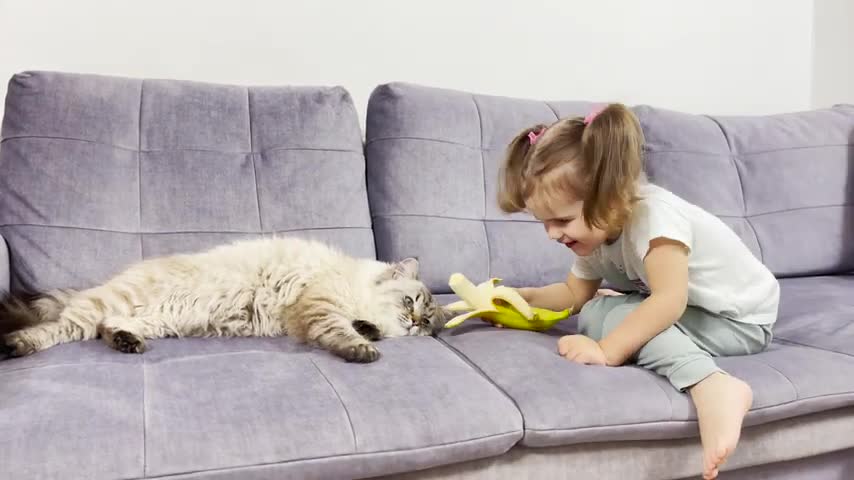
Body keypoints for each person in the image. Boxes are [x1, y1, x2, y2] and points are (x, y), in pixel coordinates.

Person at [497, 104, 779, 480]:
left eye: (562, 220)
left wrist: (606, 351)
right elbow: (572, 294)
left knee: (617, 319)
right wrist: (523, 299)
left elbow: (669, 300)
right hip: (695, 309)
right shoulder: (596, 234)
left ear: (609, 197)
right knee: (596, 312)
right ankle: (641, 330)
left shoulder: (655, 217)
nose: (552, 234)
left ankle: (713, 385)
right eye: (544, 223)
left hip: (740, 320)